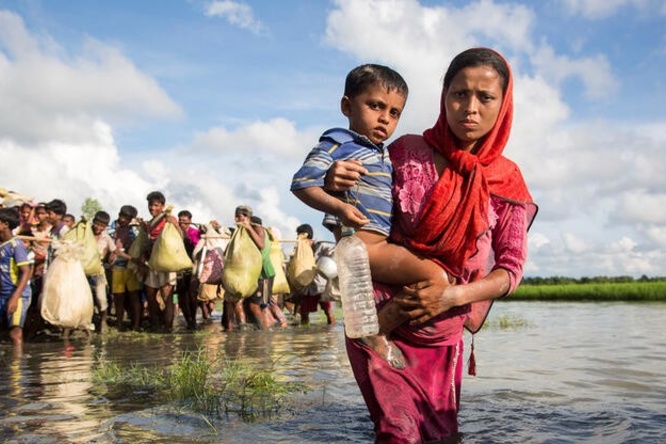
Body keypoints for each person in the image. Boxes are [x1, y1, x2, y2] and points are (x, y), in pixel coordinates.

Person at [325, 47, 538, 442]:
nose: (469, 108)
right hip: (380, 321)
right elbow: (358, 221)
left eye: (485, 97)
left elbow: (510, 271)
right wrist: (333, 179)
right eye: (459, 94)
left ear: (503, 104)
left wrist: (451, 296)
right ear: (444, 97)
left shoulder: (508, 180)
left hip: (441, 332)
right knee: (397, 432)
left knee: (438, 434)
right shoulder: (405, 153)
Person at [291, 63, 449, 363]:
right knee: (435, 275)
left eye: (394, 113)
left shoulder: (383, 152)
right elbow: (301, 183)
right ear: (347, 105)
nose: (384, 119)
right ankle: (378, 329)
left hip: (378, 245)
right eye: (375, 106)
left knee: (435, 274)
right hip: (363, 247)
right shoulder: (336, 143)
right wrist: (339, 207)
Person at [140, 191, 182, 333]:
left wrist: (175, 225)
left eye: (156, 205)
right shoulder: (150, 223)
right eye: (150, 205)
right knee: (150, 294)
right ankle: (157, 323)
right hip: (152, 262)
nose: (153, 208)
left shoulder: (168, 219)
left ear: (162, 206)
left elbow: (181, 237)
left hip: (166, 263)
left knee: (167, 295)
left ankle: (168, 328)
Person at [289, 224, 336, 326]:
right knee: (304, 314)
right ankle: (306, 335)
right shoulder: (300, 250)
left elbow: (334, 250)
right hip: (308, 287)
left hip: (321, 287)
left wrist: (329, 254)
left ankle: (331, 337)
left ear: (308, 237)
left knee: (328, 312)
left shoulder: (321, 246)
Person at [0, 207, 33, 350]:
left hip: (17, 294)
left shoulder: (16, 245)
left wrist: (15, 297)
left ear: (5, 224)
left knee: (15, 332)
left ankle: (16, 369)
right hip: (2, 294)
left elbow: (26, 271)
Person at [110, 205, 142, 331]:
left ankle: (136, 324)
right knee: (118, 296)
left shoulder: (134, 230)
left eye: (127, 218)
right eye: (122, 216)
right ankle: (119, 324)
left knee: (133, 295)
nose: (123, 220)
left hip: (130, 267)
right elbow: (113, 249)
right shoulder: (111, 228)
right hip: (117, 266)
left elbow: (139, 244)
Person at [90, 210, 116, 333]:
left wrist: (111, 256)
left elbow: (114, 250)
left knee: (101, 298)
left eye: (102, 225)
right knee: (87, 298)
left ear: (105, 226)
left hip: (98, 270)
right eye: (97, 224)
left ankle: (103, 321)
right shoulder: (85, 233)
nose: (98, 227)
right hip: (83, 270)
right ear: (93, 222)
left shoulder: (106, 237)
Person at [176, 210, 200, 330]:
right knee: (182, 296)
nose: (182, 224)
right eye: (180, 221)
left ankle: (194, 319)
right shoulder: (174, 232)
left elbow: (197, 247)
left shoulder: (195, 232)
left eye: (185, 221)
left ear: (190, 221)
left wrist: (184, 233)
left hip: (193, 267)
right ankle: (188, 320)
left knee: (192, 294)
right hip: (179, 268)